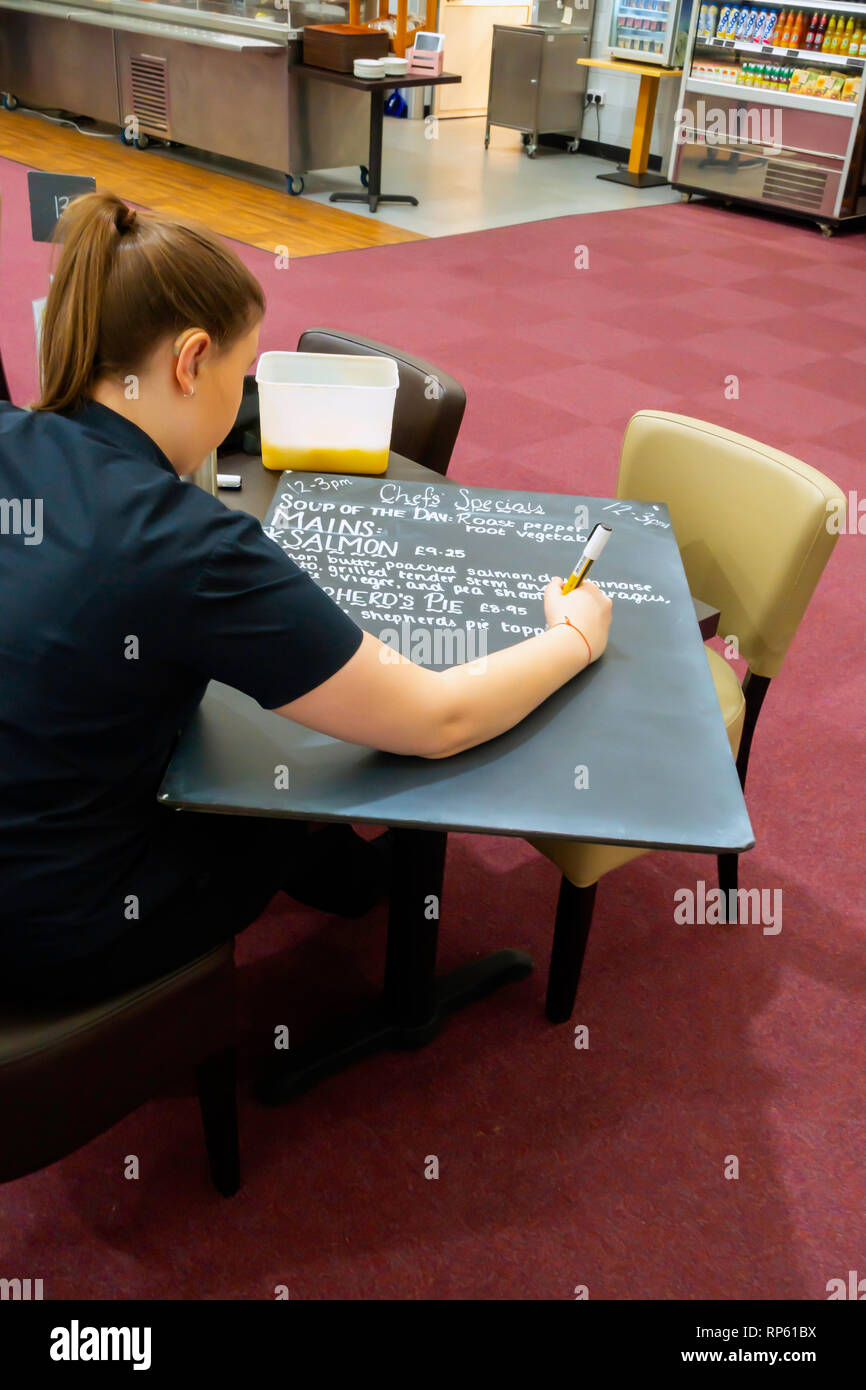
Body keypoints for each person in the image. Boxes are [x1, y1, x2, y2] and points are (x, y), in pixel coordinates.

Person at [0, 192, 612, 1009]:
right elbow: (439, 720)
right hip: (51, 938)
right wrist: (573, 637)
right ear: (189, 361)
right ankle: (370, 907)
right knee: (284, 785)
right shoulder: (185, 545)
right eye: (240, 368)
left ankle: (356, 883)